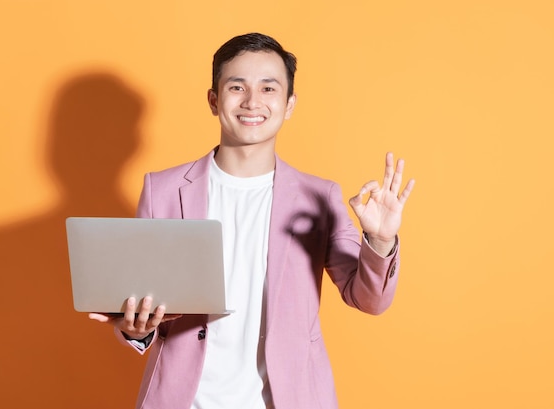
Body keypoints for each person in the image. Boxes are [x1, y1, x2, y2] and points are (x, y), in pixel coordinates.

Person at [89, 32, 415, 409]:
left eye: (268, 88)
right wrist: (136, 328)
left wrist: (380, 241)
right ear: (214, 100)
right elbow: (144, 305)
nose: (252, 102)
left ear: (290, 104)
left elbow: (369, 300)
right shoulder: (162, 190)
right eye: (237, 86)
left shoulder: (319, 196)